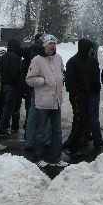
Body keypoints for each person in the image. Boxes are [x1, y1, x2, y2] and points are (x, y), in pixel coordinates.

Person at [25, 34, 68, 168]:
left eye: (54, 44)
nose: (52, 46)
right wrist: (42, 81)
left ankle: (56, 158)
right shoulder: (37, 60)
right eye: (50, 44)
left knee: (57, 132)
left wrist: (61, 78)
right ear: (44, 46)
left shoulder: (58, 58)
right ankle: (38, 157)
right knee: (40, 133)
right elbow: (29, 79)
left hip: (56, 102)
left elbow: (61, 73)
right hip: (42, 103)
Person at [63, 38, 95, 156]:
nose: (90, 50)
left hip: (85, 96)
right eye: (89, 48)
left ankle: (73, 144)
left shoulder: (87, 60)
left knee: (82, 121)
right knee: (82, 121)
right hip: (77, 96)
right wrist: (76, 93)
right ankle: (71, 145)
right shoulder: (73, 61)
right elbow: (69, 81)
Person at [0, 39, 23, 136]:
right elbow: (15, 73)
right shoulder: (16, 57)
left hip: (2, 85)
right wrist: (19, 85)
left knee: (3, 108)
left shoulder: (4, 56)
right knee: (9, 109)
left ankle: (2, 128)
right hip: (12, 86)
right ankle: (3, 130)